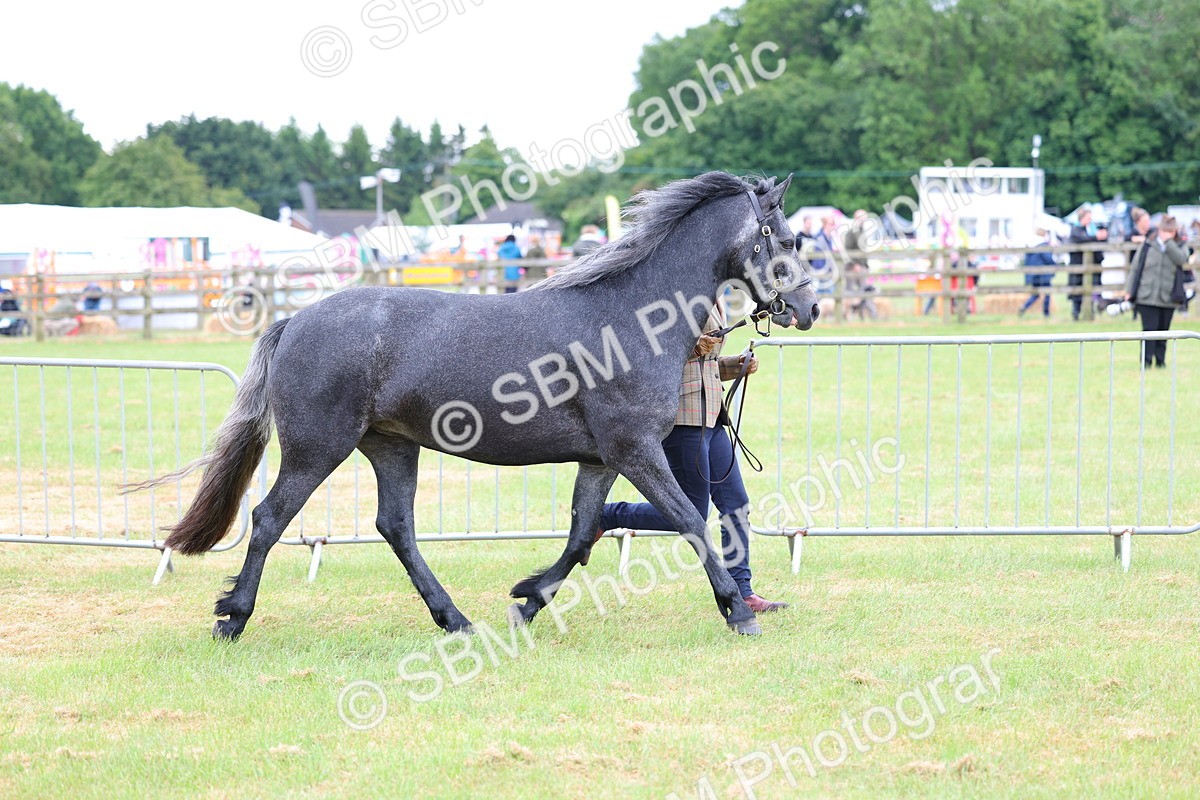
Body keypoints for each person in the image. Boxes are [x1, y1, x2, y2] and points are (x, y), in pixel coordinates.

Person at [595, 304, 787, 613]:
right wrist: (691, 347)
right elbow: (644, 357)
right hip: (683, 419)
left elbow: (706, 365)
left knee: (736, 505)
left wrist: (734, 364)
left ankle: (743, 592)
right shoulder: (668, 301)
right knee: (691, 512)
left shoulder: (711, 296)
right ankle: (607, 515)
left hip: (711, 418)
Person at [1125, 215, 1189, 368]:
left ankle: (1160, 361)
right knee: (1148, 330)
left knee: (1163, 331)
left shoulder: (1180, 245)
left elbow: (1181, 259)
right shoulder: (1148, 245)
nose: (1166, 234)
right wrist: (1129, 290)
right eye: (1164, 231)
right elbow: (1135, 268)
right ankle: (1146, 362)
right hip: (1146, 295)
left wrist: (1169, 243)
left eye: (1170, 231)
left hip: (1168, 295)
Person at [1067, 208, 1109, 320]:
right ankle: (1076, 314)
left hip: (1090, 266)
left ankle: (1091, 313)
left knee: (1091, 290)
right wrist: (1097, 237)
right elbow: (1083, 239)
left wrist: (1102, 236)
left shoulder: (1090, 229)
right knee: (1077, 292)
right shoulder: (1075, 229)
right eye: (1088, 218)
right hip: (1078, 266)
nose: (1090, 220)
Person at [1018, 229, 1056, 317]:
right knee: (1047, 293)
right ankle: (1046, 313)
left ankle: (1024, 307)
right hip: (1043, 275)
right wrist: (1055, 266)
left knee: (1035, 294)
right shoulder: (1043, 246)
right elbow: (1048, 259)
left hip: (1033, 275)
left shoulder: (1031, 248)